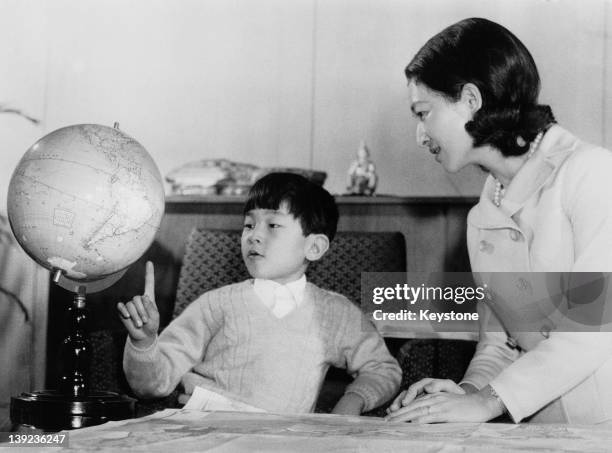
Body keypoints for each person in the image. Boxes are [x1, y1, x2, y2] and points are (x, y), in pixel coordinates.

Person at [386, 17, 612, 424]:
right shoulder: (482, 217)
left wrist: (486, 401)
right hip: (535, 430)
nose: (420, 135)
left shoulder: (593, 173)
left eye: (423, 113)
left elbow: (592, 331)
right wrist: (464, 393)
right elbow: (500, 345)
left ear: (471, 99)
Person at [118, 172, 401, 415]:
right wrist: (143, 343)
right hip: (204, 430)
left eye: (273, 225)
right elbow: (152, 385)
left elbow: (383, 369)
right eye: (249, 225)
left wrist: (354, 400)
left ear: (314, 247)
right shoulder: (215, 304)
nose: (253, 235)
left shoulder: (336, 313)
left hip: (281, 441)